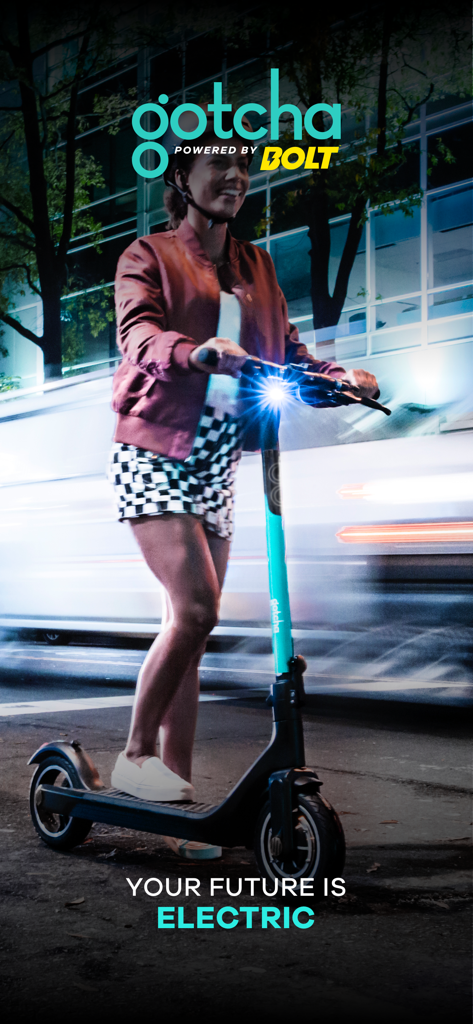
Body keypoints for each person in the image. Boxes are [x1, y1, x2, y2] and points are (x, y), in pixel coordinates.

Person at [107, 111, 378, 859]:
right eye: (217, 166)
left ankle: (179, 797)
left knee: (191, 633)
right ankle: (135, 757)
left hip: (222, 460)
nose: (233, 177)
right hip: (156, 451)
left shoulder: (256, 267)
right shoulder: (149, 254)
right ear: (181, 182)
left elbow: (285, 351)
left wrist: (341, 377)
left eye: (242, 168)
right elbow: (138, 334)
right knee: (195, 610)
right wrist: (193, 356)